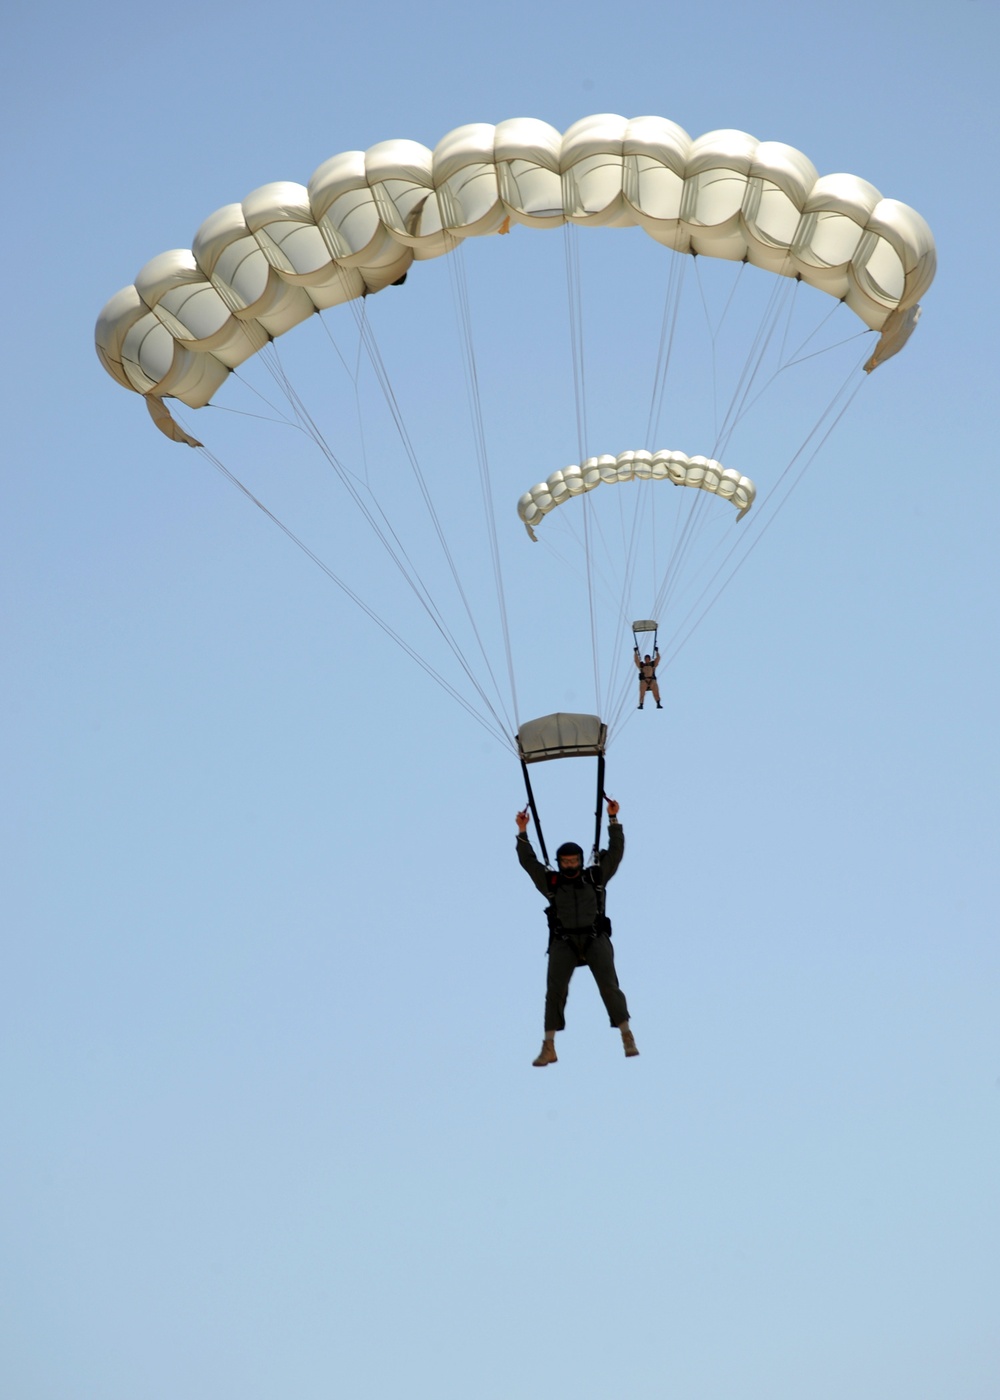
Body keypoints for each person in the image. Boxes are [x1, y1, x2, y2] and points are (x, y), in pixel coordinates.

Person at [515, 798, 638, 1066]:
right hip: (564, 941)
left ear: (581, 861)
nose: (570, 866)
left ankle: (626, 1035)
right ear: (559, 863)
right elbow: (529, 862)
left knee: (609, 986)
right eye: (565, 862)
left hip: (595, 938)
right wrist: (522, 832)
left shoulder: (594, 876)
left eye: (574, 861)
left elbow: (615, 853)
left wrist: (613, 820)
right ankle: (549, 1046)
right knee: (554, 992)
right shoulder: (551, 882)